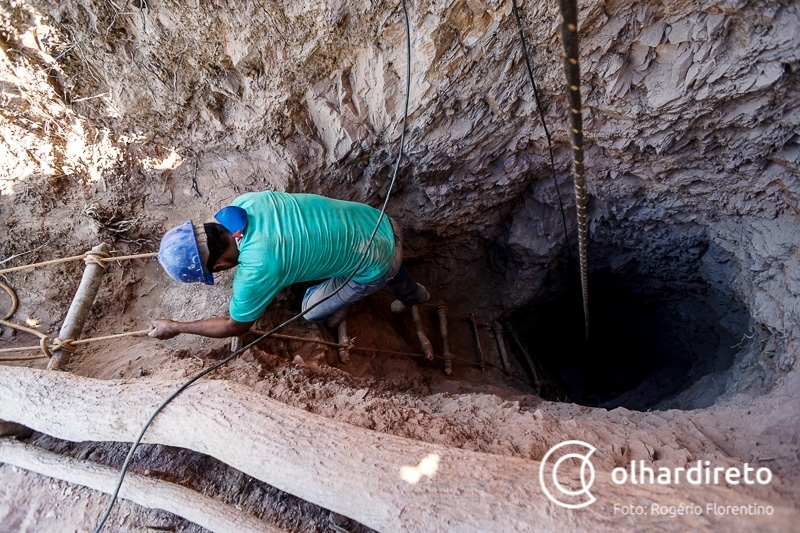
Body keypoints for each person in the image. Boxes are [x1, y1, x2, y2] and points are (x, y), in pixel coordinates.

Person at [148, 191, 429, 340]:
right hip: (377, 221)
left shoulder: (257, 270)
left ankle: (354, 303)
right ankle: (414, 294)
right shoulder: (246, 203)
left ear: (220, 264)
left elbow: (235, 326)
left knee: (311, 310)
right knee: (378, 258)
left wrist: (176, 327)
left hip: (377, 262)